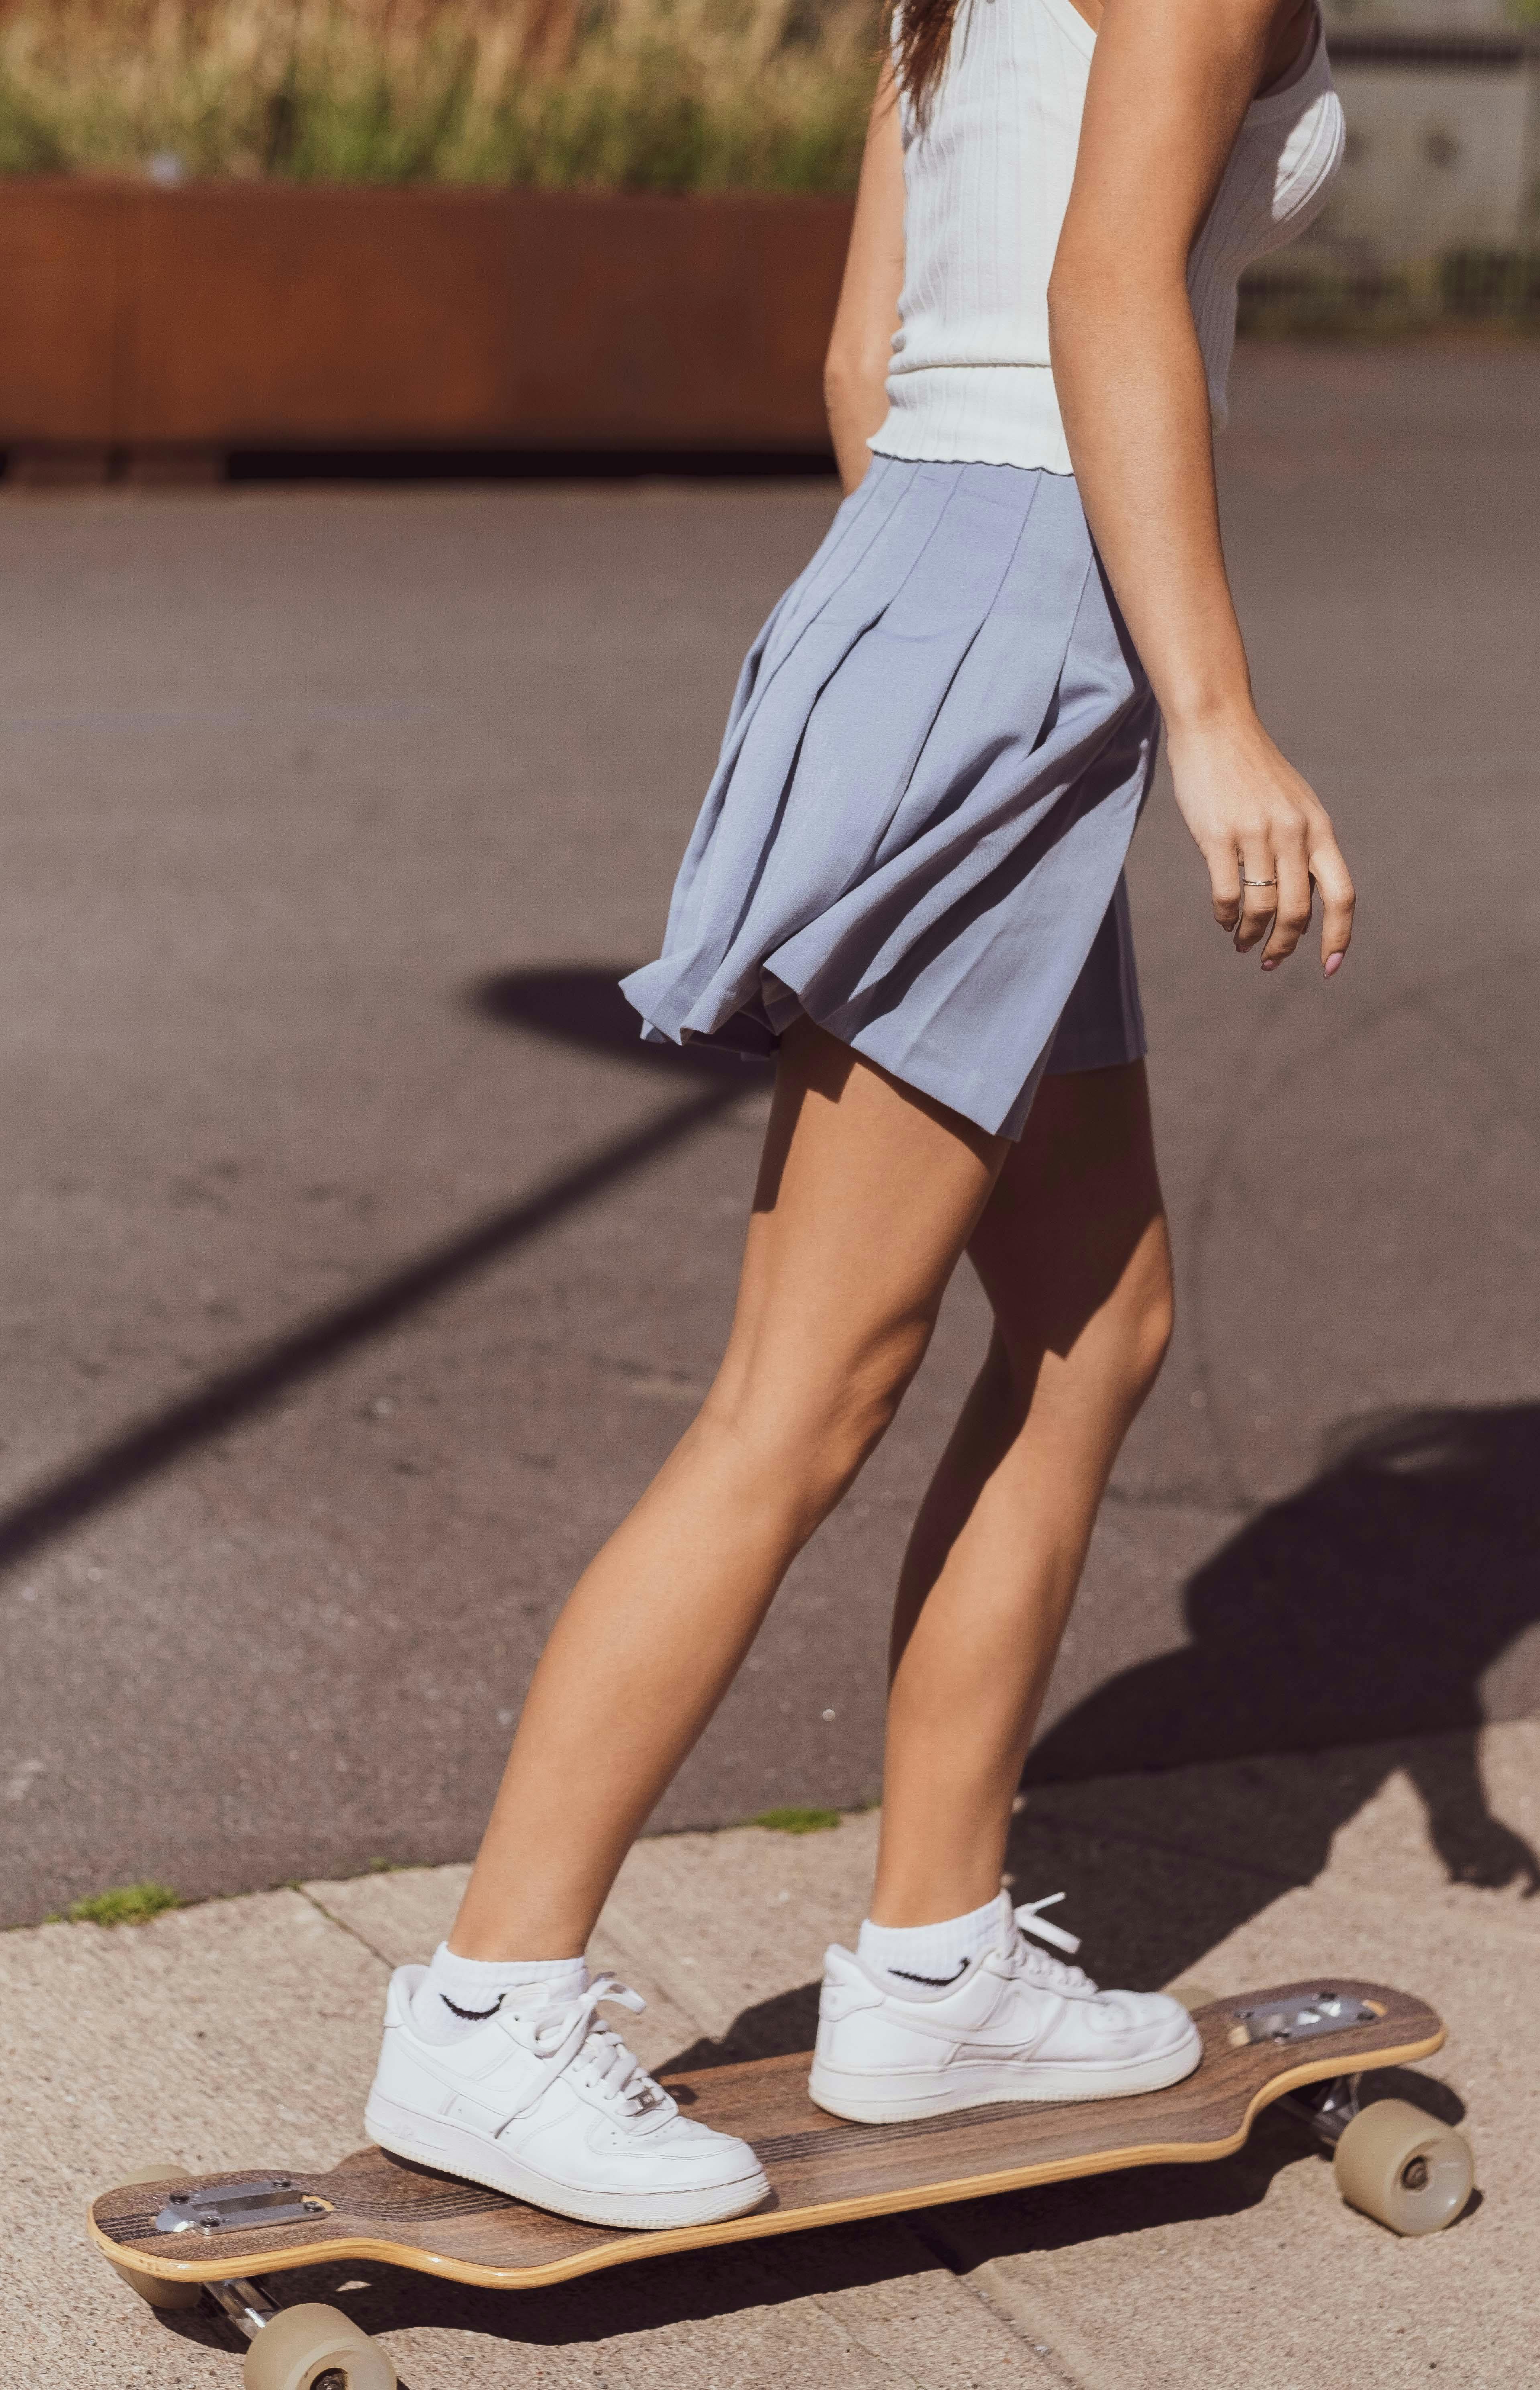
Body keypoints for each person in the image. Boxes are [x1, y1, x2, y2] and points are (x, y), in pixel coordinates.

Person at [365, 0, 1357, 2229]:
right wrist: (1206, 719)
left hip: (951, 582)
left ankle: (934, 1963)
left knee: (1099, 1331)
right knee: (803, 1393)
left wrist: (951, 657)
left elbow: (863, 358)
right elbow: (1110, 288)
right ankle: (488, 2010)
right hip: (1034, 622)